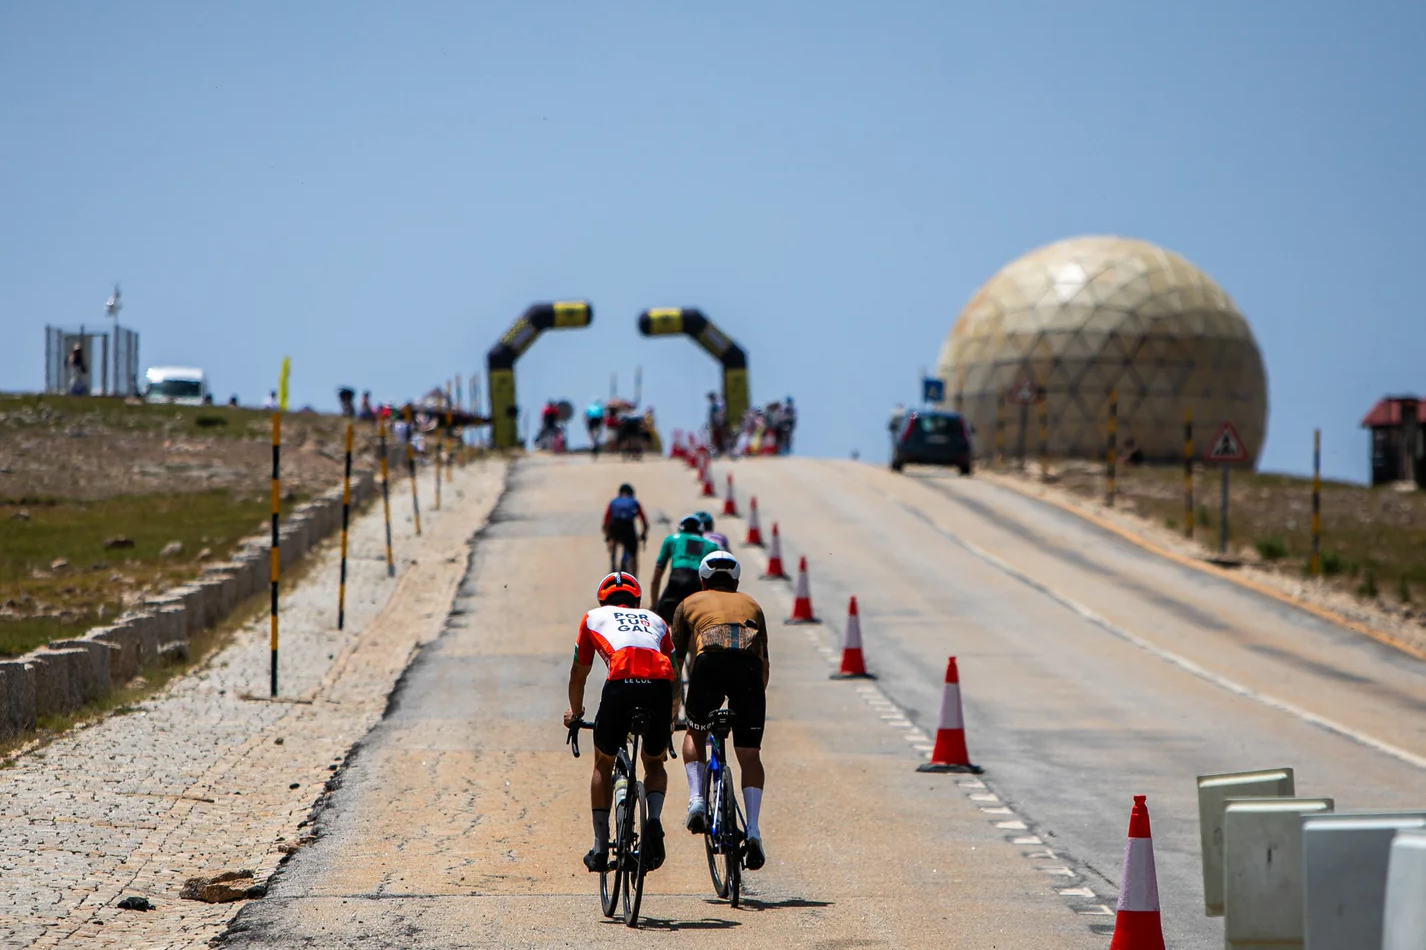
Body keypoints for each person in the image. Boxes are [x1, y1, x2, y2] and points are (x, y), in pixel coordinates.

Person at [563, 572, 675, 873]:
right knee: (654, 762)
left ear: (603, 601)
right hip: (660, 687)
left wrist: (576, 714)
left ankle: (600, 847)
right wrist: (671, 718)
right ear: (637, 602)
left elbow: (578, 674)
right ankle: (654, 820)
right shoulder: (656, 620)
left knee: (603, 762)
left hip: (621, 684)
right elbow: (675, 675)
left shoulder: (592, 618)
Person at [671, 551, 771, 870]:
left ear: (703, 582)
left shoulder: (688, 603)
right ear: (736, 583)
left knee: (695, 733)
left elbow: (675, 664)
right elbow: (764, 664)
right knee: (750, 755)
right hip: (749, 672)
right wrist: (753, 704)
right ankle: (752, 830)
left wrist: (674, 710)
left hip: (709, 665)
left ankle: (697, 800)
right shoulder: (753, 604)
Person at [649, 515, 722, 625]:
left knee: (661, 622)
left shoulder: (671, 539)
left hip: (676, 578)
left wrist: (654, 606)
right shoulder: (711, 545)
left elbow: (656, 577)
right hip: (697, 582)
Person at [603, 484, 649, 575]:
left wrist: (608, 535)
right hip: (628, 527)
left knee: (612, 539)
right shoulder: (634, 502)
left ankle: (613, 562)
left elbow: (606, 521)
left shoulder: (613, 502)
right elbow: (644, 521)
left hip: (615, 526)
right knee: (633, 555)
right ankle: (634, 577)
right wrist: (643, 534)